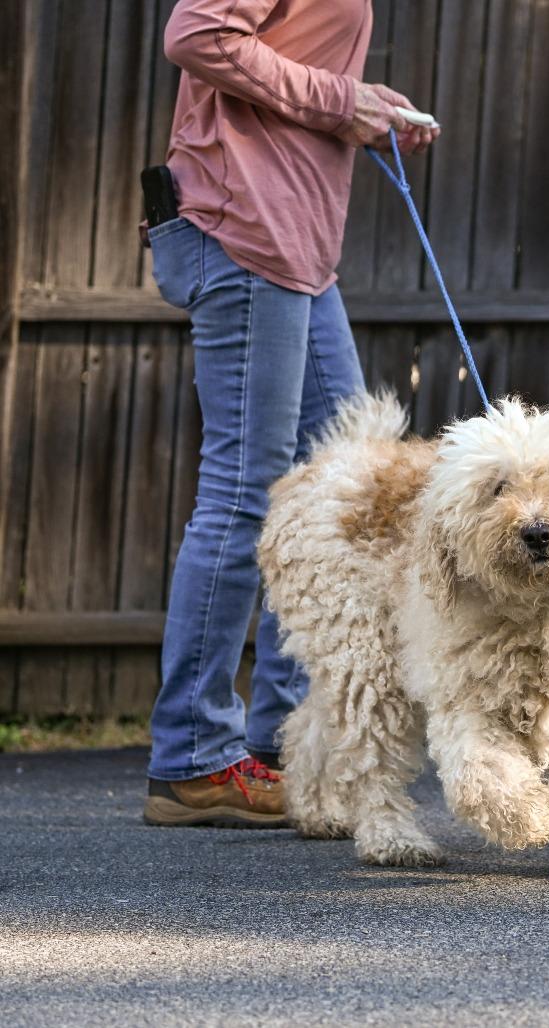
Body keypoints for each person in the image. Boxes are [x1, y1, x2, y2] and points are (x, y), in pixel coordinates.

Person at [141, 0, 439, 828]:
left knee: (335, 494)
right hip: (247, 236)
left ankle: (288, 742)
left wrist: (360, 110)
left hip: (299, 256)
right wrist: (344, 101)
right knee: (246, 495)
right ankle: (193, 757)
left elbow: (278, 69)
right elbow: (196, 35)